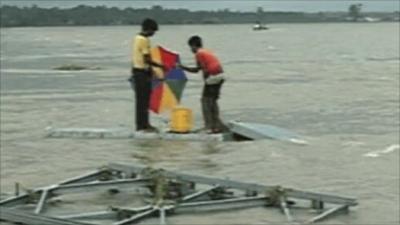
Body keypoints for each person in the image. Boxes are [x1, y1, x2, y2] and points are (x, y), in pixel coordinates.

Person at [178, 35, 227, 134]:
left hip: (213, 77)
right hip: (220, 76)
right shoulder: (205, 52)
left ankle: (209, 126)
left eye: (191, 47)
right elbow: (199, 69)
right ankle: (217, 125)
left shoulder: (199, 54)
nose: (191, 50)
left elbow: (201, 70)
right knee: (212, 101)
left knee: (205, 101)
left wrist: (181, 67)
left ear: (194, 46)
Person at [129, 18, 164, 132]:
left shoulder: (136, 38)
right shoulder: (144, 40)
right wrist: (159, 66)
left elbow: (138, 58)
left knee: (142, 99)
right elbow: (147, 59)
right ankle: (143, 126)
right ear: (148, 29)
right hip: (141, 72)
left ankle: (143, 124)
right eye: (153, 31)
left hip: (138, 70)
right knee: (143, 100)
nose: (153, 34)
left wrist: (152, 70)